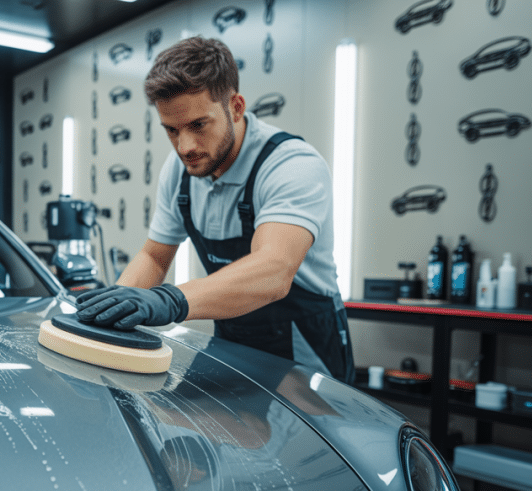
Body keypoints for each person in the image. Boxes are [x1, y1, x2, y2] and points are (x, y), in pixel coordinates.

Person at [76, 36, 355, 384]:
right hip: (233, 338)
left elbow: (274, 270)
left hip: (304, 349)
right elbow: (154, 256)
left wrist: (169, 301)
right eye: (172, 130)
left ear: (235, 107)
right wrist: (112, 314)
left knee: (306, 438)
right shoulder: (180, 169)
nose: (185, 146)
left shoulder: (291, 164)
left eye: (198, 125)